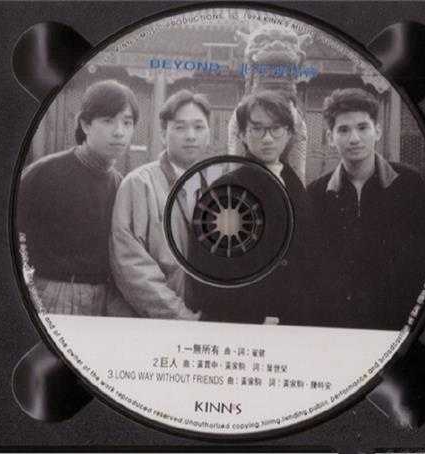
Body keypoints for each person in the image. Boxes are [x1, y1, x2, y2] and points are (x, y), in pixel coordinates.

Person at [306, 88, 425, 330]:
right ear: (330, 137)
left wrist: (415, 319)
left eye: (362, 127)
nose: (354, 138)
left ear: (377, 131)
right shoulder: (315, 195)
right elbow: (309, 269)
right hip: (334, 330)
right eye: (343, 130)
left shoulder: (413, 186)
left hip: (401, 327)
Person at [16, 79, 139, 315]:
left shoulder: (120, 183)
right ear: (85, 124)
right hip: (52, 293)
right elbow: (9, 235)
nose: (119, 132)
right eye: (108, 121)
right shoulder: (43, 173)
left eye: (127, 122)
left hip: (104, 298)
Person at [186, 90, 308, 325]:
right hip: (246, 320)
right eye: (257, 129)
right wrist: (255, 314)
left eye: (276, 128)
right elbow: (207, 268)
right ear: (242, 133)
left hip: (295, 319)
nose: (268, 138)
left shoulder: (296, 186)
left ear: (289, 133)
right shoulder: (224, 190)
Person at [109, 89, 211, 319]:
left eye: (199, 127)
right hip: (153, 320)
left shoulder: (217, 186)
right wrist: (180, 315)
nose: (191, 136)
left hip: (205, 318)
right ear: (164, 134)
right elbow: (131, 265)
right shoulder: (139, 183)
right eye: (180, 127)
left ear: (209, 134)